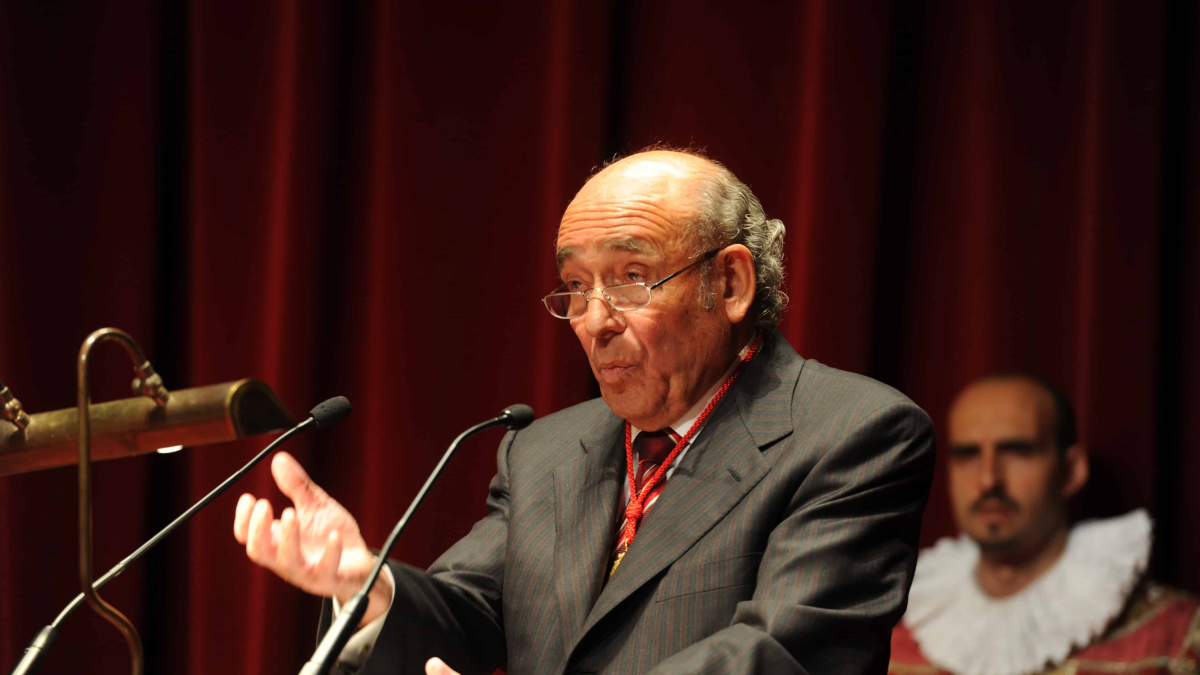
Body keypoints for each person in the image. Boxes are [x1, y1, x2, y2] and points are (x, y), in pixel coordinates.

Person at [234, 149, 937, 675]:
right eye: (574, 285)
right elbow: (473, 615)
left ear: (729, 282)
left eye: (632, 277)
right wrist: (369, 581)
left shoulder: (853, 432)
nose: (593, 320)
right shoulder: (543, 451)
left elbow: (781, 653)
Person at [889, 375, 1200, 675]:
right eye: (967, 454)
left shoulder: (1177, 639)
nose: (987, 481)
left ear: (1071, 470)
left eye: (1017, 451)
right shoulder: (893, 639)